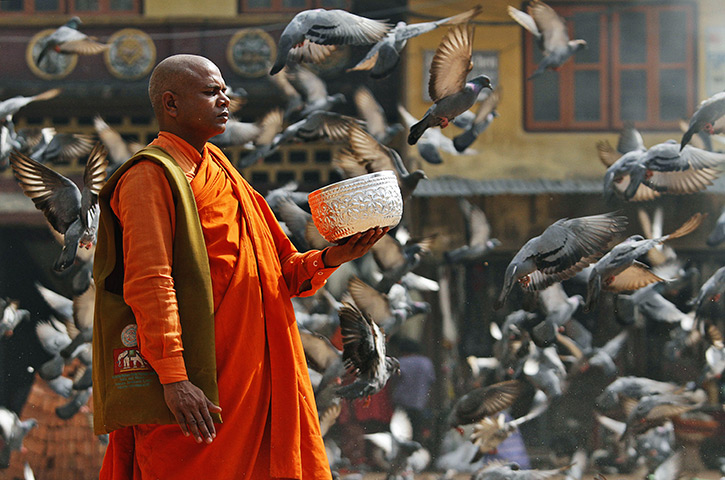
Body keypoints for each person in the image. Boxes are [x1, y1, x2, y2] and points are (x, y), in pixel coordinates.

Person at [92, 54, 388, 479]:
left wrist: (332, 257)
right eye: (212, 92)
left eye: (224, 90)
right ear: (171, 105)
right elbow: (150, 281)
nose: (226, 99)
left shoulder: (223, 171)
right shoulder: (149, 177)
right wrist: (174, 378)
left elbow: (281, 270)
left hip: (258, 381)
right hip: (202, 384)